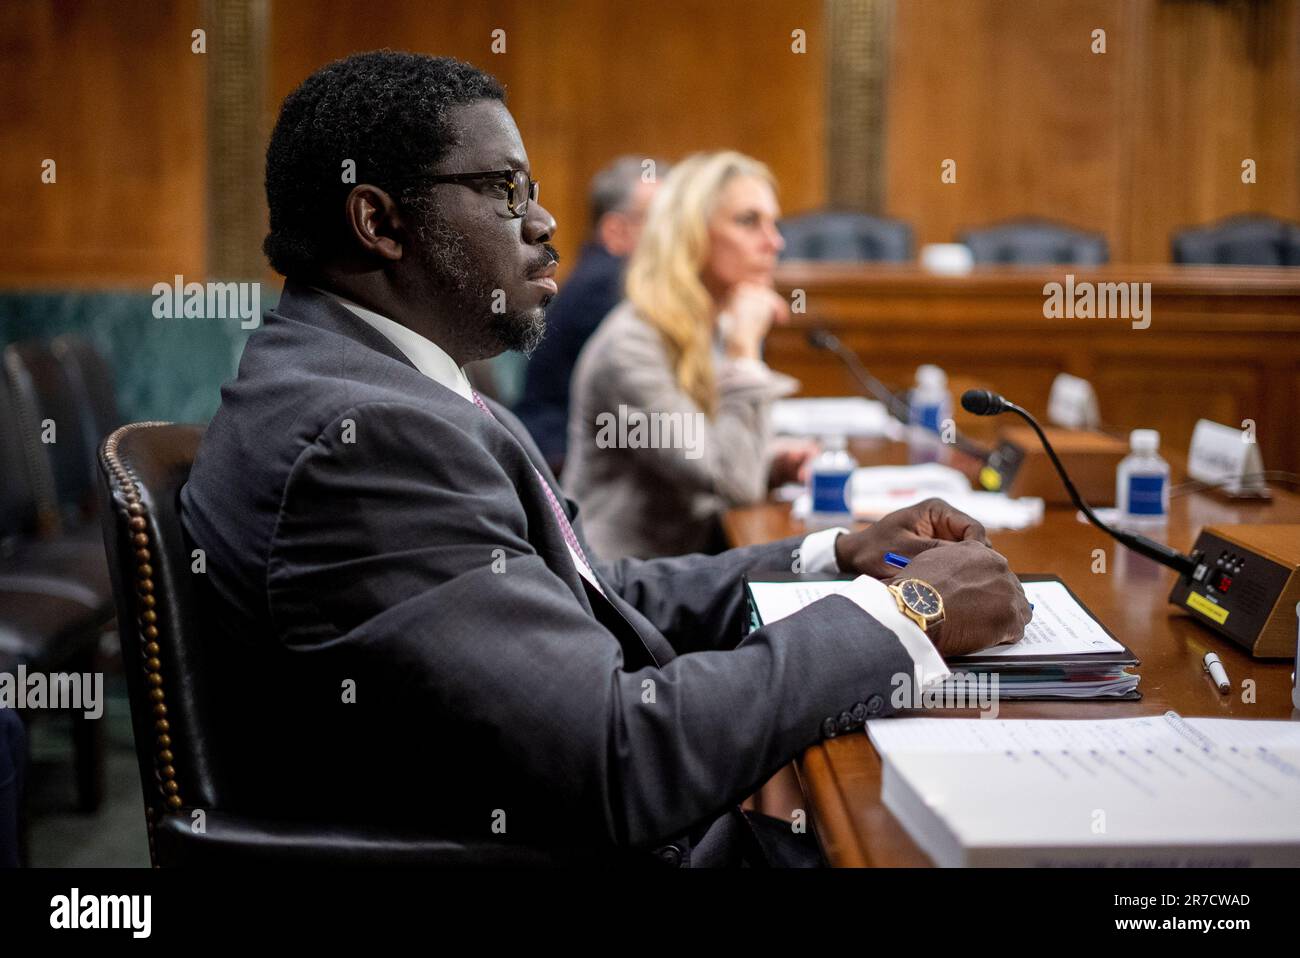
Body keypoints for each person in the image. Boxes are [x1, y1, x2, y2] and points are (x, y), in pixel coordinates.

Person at [180, 51, 1031, 867]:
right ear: (380, 222)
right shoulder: (363, 438)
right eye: (505, 190)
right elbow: (618, 758)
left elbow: (591, 595)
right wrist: (909, 611)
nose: (546, 223)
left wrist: (834, 554)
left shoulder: (373, 383)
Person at [564, 151, 817, 560]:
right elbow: (732, 481)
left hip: (683, 567)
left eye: (774, 223)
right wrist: (744, 352)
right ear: (690, 235)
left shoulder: (710, 323)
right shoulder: (632, 345)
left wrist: (771, 461)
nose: (775, 242)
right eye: (749, 221)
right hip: (622, 591)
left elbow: (707, 451)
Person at [513, 156, 660, 474]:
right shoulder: (608, 286)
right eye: (666, 223)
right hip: (559, 460)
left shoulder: (599, 273)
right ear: (616, 230)